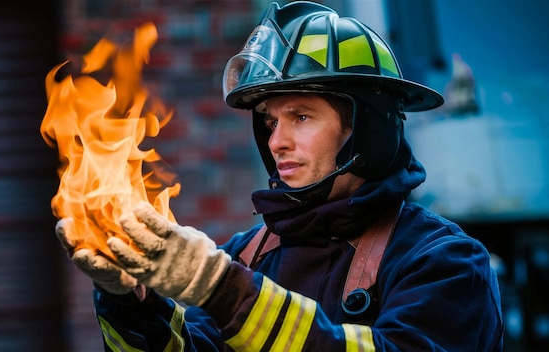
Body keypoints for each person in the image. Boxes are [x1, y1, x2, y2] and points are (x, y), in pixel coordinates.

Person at [55, 1, 504, 351]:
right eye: (270, 122)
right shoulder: (246, 256)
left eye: (302, 117)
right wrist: (129, 300)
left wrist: (224, 291)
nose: (276, 142)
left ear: (368, 128)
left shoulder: (443, 263)